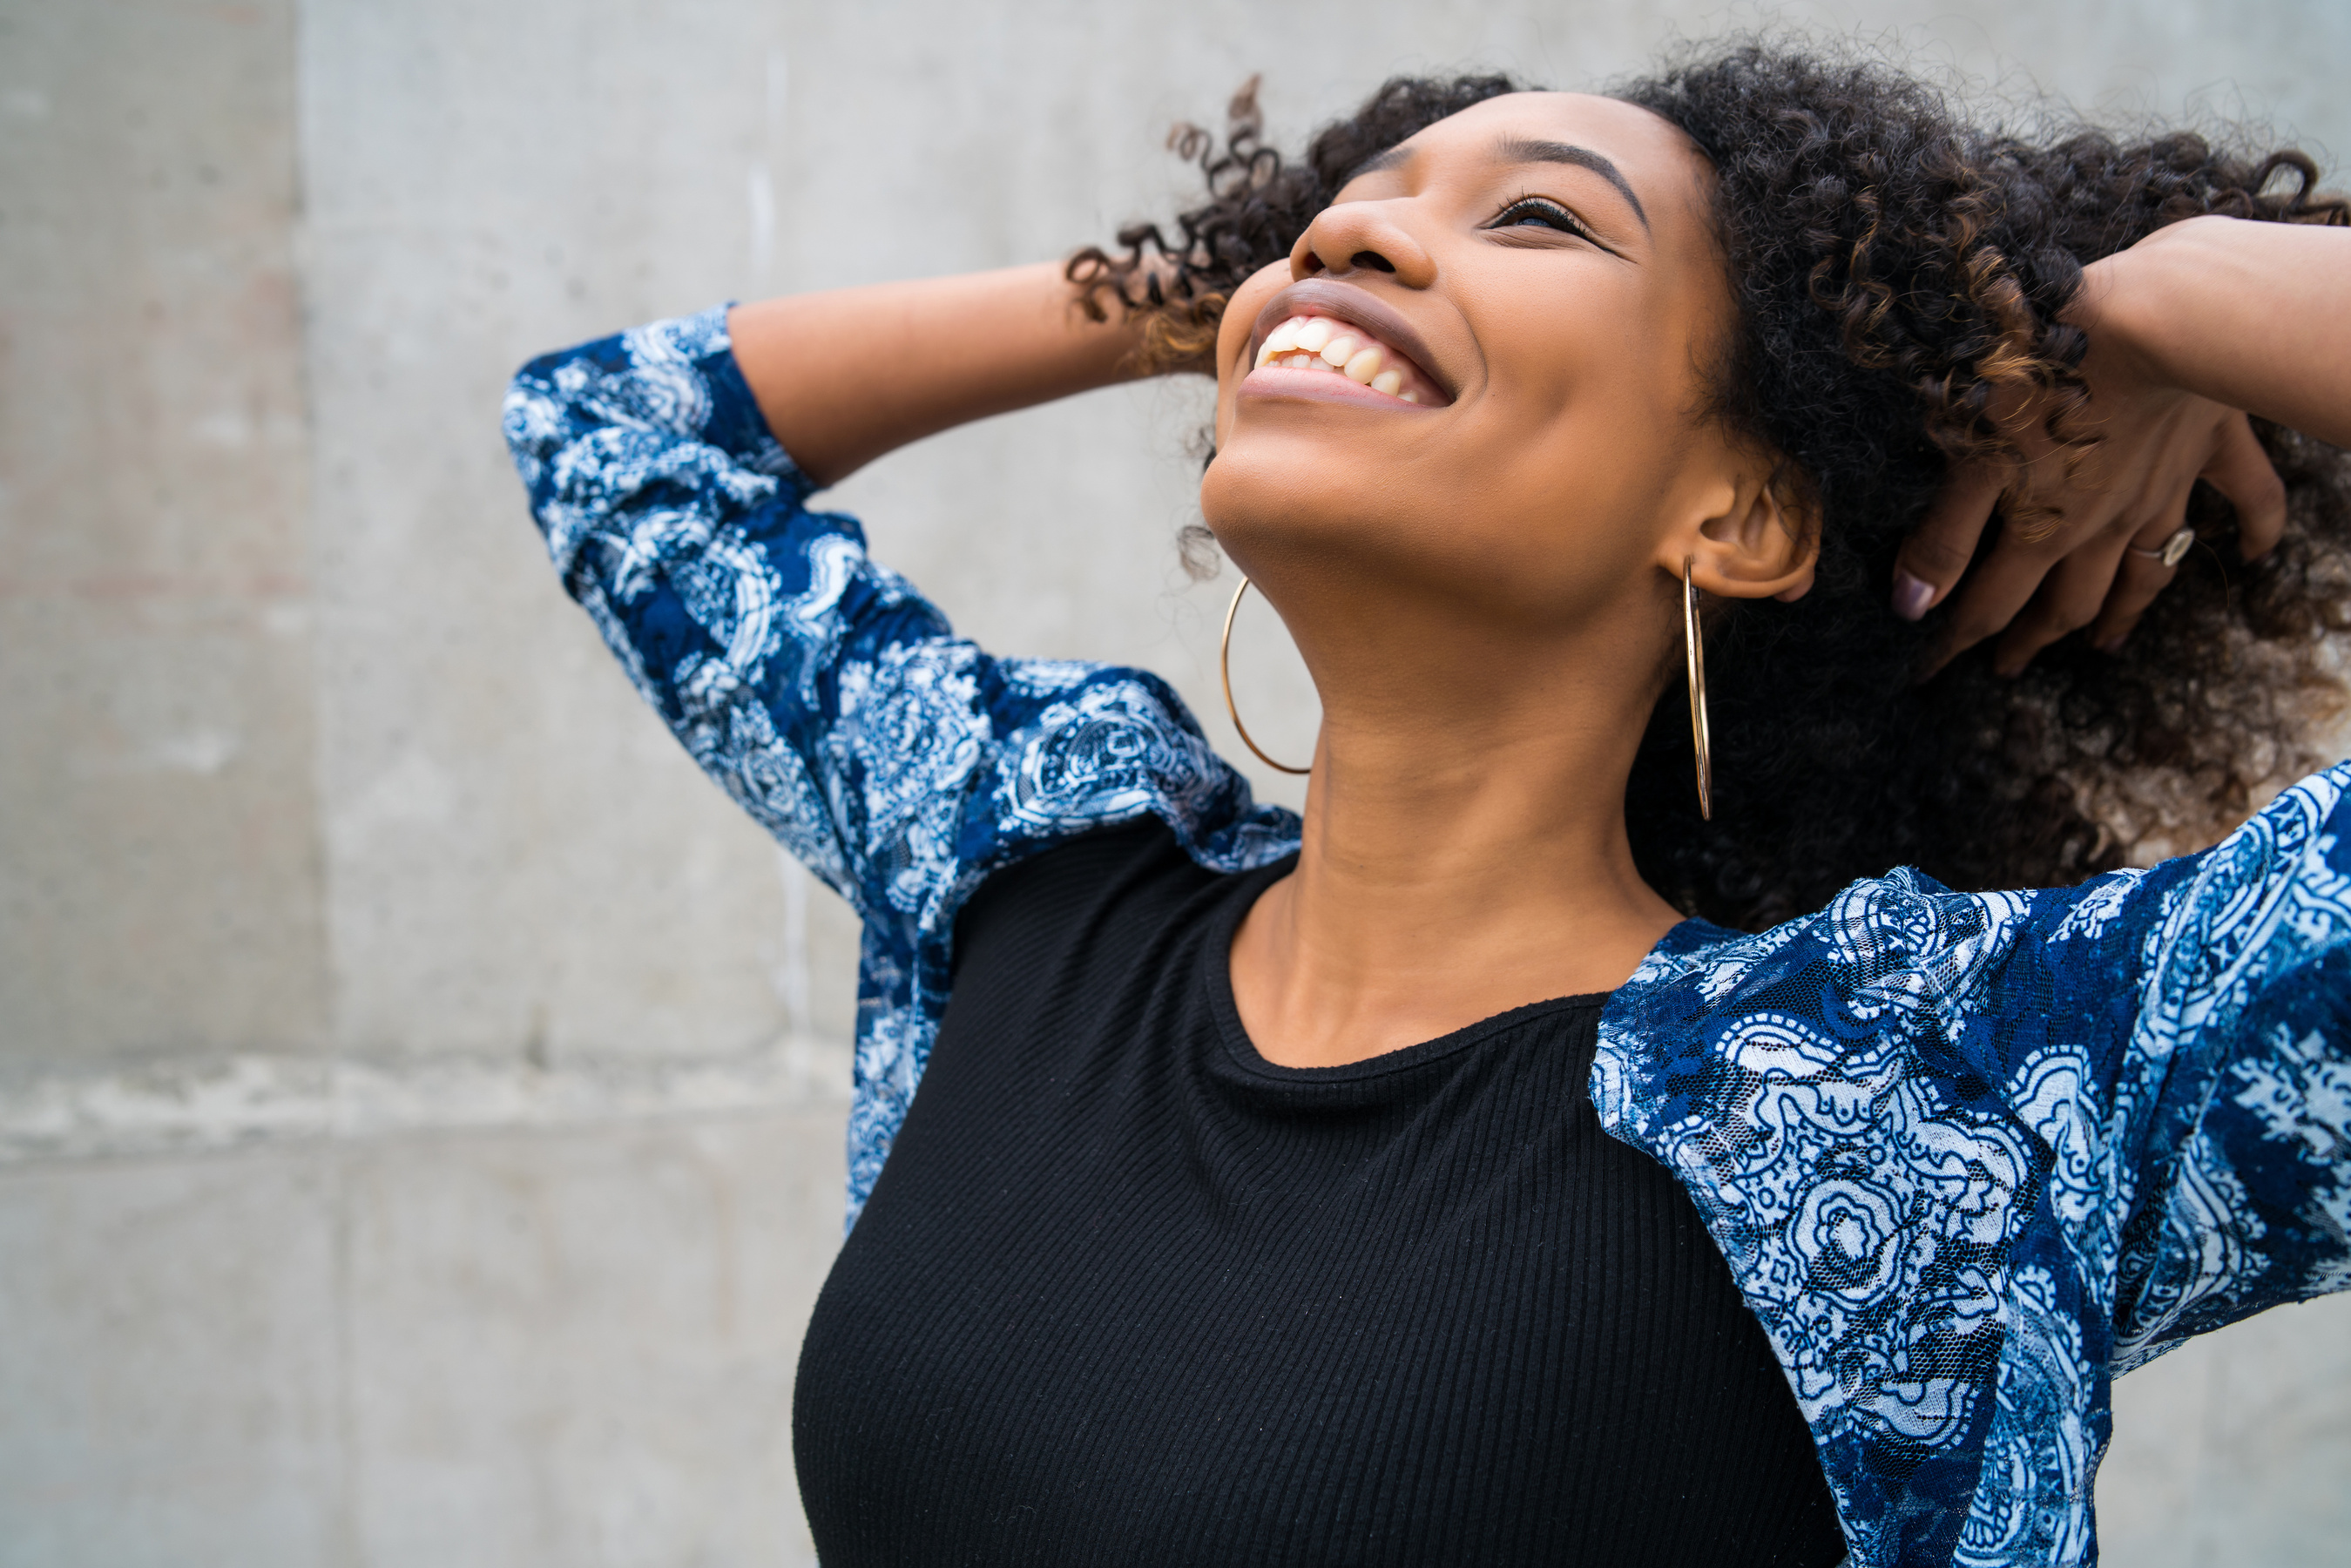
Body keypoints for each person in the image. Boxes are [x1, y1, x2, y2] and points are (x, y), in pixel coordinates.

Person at [502, 41, 2351, 1568]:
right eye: (1332, 217)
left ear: (1743, 513)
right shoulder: (1036, 867)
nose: (1349, 248)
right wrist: (1230, 290)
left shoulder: (1953, 1087)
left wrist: (2150, 299)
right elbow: (610, 437)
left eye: (1538, 218)